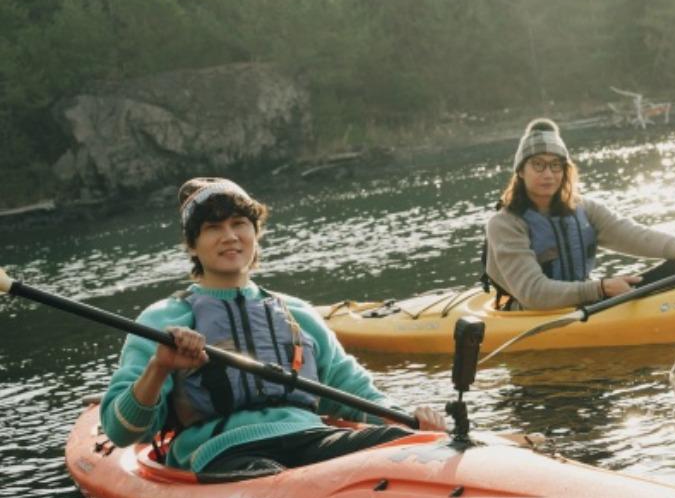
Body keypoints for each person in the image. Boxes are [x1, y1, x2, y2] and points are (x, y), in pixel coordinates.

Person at [101, 177, 446, 475]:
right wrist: (160, 366)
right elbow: (121, 431)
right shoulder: (163, 320)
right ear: (192, 244)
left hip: (309, 439)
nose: (229, 236)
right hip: (220, 453)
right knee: (269, 477)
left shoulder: (299, 314)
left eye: (239, 223)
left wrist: (408, 420)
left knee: (408, 445)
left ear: (255, 232)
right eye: (213, 228)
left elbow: (357, 394)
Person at [483, 118, 675, 311]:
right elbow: (533, 293)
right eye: (538, 164)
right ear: (521, 172)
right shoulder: (504, 224)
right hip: (532, 314)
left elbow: (635, 236)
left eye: (556, 165)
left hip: (586, 302)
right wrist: (601, 289)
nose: (548, 174)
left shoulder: (585, 209)